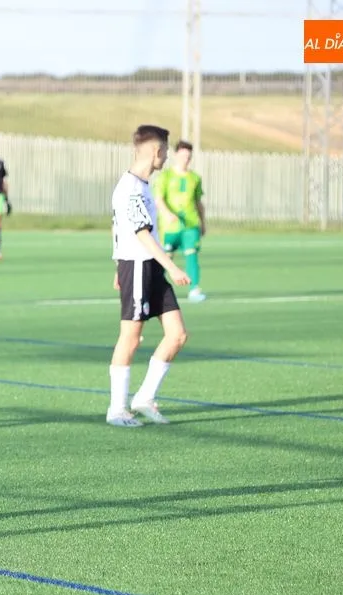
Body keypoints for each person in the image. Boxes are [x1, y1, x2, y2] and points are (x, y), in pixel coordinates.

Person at [107, 125, 191, 428]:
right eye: (166, 150)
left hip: (149, 267)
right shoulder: (131, 187)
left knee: (177, 334)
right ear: (156, 151)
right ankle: (117, 409)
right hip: (139, 266)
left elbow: (118, 227)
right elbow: (141, 235)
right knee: (130, 338)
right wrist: (172, 267)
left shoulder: (142, 185)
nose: (167, 156)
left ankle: (144, 397)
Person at [153, 140, 207, 302]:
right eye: (183, 156)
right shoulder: (165, 176)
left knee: (191, 255)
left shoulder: (195, 178)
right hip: (169, 227)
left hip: (190, 224)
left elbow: (198, 202)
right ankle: (155, 288)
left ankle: (194, 289)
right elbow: (158, 199)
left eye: (188, 157)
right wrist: (167, 214)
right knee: (165, 258)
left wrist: (202, 222)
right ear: (176, 155)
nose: (186, 159)